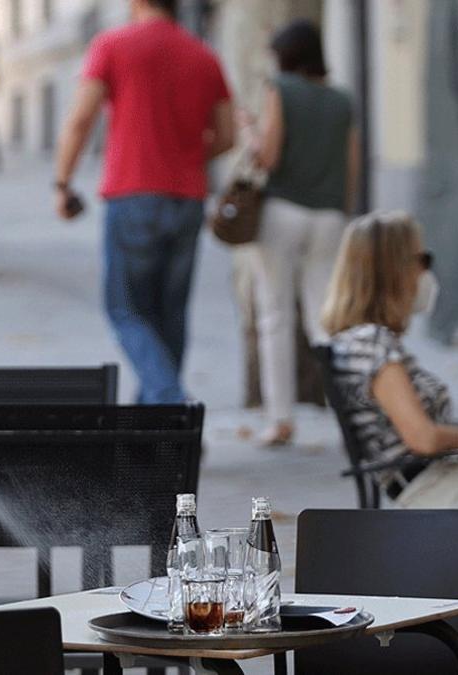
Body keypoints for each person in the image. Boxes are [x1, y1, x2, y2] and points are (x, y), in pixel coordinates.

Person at [53, 0, 234, 403]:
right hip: (187, 199)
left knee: (126, 308)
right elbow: (227, 135)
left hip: (133, 193)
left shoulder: (113, 45)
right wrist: (186, 156)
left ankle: (169, 401)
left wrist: (62, 183)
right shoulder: (203, 54)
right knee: (170, 315)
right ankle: (160, 430)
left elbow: (81, 119)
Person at [324, 212, 458, 508]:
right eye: (423, 260)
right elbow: (424, 439)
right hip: (442, 490)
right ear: (394, 270)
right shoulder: (371, 343)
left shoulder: (359, 343)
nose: (427, 273)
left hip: (450, 481)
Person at [246, 20, 359, 446]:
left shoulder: (281, 89)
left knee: (275, 314)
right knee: (325, 319)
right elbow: (351, 166)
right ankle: (349, 415)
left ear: (285, 56)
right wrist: (341, 211)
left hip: (283, 212)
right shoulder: (343, 100)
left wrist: (250, 132)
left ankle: (280, 420)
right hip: (330, 216)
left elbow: (269, 157)